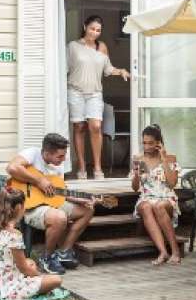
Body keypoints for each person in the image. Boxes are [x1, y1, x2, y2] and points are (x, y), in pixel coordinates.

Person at [6, 133, 95, 275]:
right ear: (47, 153)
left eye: (64, 155)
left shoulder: (58, 166)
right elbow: (12, 168)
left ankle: (64, 252)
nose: (64, 159)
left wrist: (80, 199)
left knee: (87, 210)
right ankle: (47, 257)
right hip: (30, 206)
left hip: (50, 203)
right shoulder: (32, 154)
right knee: (59, 217)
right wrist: (39, 181)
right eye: (60, 156)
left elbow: (59, 192)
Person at [67, 15, 130, 180]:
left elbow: (108, 69)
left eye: (98, 30)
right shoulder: (73, 46)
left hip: (95, 93)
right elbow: (63, 68)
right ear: (85, 27)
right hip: (75, 91)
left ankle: (97, 167)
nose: (95, 33)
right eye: (92, 29)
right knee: (79, 127)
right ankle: (82, 167)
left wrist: (121, 71)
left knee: (95, 126)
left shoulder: (102, 47)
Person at [0, 187, 62, 300]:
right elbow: (24, 269)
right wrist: (40, 276)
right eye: (24, 204)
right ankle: (27, 287)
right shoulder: (14, 235)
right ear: (19, 207)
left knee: (30, 262)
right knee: (56, 280)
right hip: (7, 289)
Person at [130, 124, 182, 265]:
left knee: (159, 206)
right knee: (146, 207)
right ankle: (163, 252)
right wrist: (136, 175)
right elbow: (135, 188)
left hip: (166, 197)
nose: (146, 147)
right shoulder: (138, 158)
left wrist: (163, 159)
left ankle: (175, 251)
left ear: (158, 143)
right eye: (144, 143)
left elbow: (172, 184)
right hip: (147, 197)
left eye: (150, 143)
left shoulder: (170, 158)